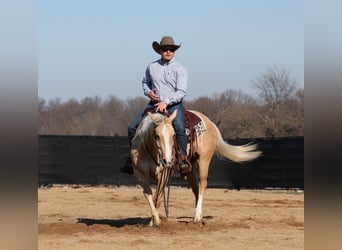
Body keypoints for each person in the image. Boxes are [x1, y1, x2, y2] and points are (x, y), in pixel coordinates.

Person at [121, 36, 190, 175]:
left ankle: (183, 159)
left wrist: (167, 102)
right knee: (132, 127)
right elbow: (145, 83)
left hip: (173, 104)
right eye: (165, 49)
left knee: (179, 127)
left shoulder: (180, 69)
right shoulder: (151, 67)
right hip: (154, 104)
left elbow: (182, 91)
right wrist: (149, 92)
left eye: (171, 49)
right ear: (160, 51)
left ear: (174, 51)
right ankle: (132, 158)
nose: (168, 51)